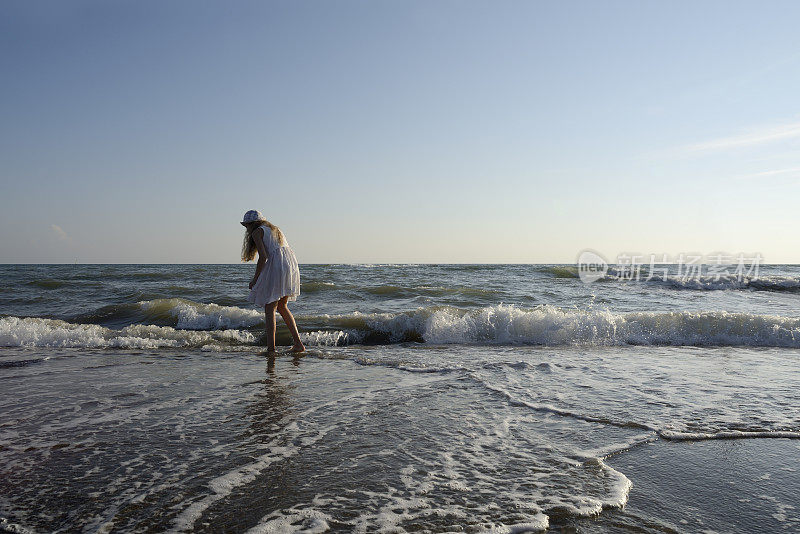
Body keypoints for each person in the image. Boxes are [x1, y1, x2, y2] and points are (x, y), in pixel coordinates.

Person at [240, 210, 305, 353]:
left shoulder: (257, 232)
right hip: (290, 265)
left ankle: (271, 349)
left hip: (277, 265)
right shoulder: (275, 229)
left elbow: (263, 257)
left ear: (252, 224)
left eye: (246, 226)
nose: (246, 229)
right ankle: (298, 344)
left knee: (270, 309)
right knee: (282, 306)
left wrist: (255, 279)